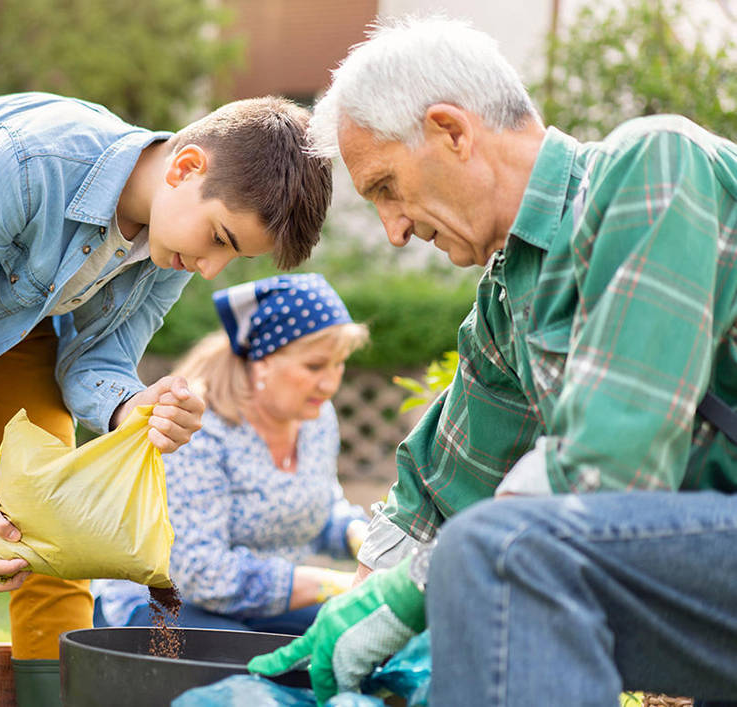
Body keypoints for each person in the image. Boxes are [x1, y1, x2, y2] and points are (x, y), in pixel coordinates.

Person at [249, 15, 737, 706]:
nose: (393, 232)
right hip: (704, 573)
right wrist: (349, 618)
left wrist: (414, 588)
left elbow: (612, 466)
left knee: (497, 554)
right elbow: (436, 499)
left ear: (452, 131)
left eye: (386, 186)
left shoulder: (654, 166)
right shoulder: (509, 300)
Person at [0, 92, 333, 706]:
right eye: (220, 238)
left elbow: (98, 361)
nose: (211, 269)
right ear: (185, 167)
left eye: (232, 255)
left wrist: (135, 409)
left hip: (14, 322)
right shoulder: (33, 160)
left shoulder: (174, 244)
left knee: (56, 535)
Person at [93, 273, 370, 635]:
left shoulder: (315, 417)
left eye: (339, 363)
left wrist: (360, 535)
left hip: (254, 605)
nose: (330, 382)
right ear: (262, 361)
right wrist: (336, 585)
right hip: (161, 603)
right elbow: (201, 573)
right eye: (315, 366)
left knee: (363, 632)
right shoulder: (197, 427)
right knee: (248, 663)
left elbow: (318, 506)